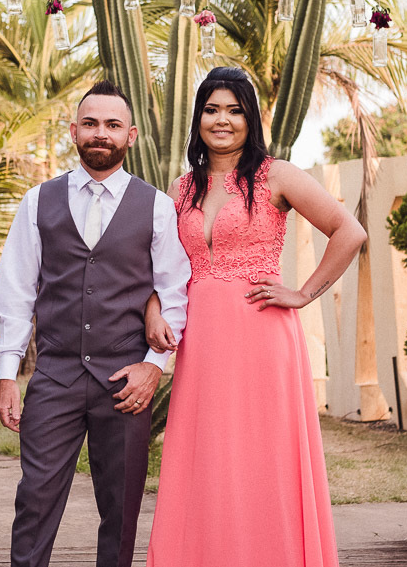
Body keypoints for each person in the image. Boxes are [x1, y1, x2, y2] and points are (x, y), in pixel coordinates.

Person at [145, 66, 367, 567]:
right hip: (201, 342)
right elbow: (161, 264)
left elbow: (348, 231)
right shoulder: (181, 188)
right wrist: (155, 307)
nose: (222, 120)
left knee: (264, 457)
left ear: (251, 119)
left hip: (262, 336)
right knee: (209, 458)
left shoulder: (277, 175)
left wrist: (304, 293)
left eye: (234, 110)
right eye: (211, 109)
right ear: (198, 117)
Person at [0, 80, 191, 567]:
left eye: (112, 125)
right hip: (55, 375)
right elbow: (16, 289)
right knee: (35, 500)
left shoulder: (157, 207)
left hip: (125, 380)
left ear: (132, 135)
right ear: (74, 130)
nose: (100, 133)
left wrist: (154, 365)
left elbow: (176, 292)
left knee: (121, 510)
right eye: (90, 123)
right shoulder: (40, 200)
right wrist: (6, 373)